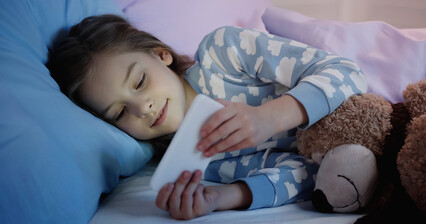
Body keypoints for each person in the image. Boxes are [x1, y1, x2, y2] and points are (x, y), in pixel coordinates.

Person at [47, 14, 367, 220]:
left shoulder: (222, 52)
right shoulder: (198, 160)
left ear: (161, 55)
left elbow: (345, 72)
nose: (141, 107)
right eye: (118, 112)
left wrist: (270, 117)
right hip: (360, 160)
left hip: (372, 110)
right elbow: (309, 175)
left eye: (140, 81)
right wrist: (223, 197)